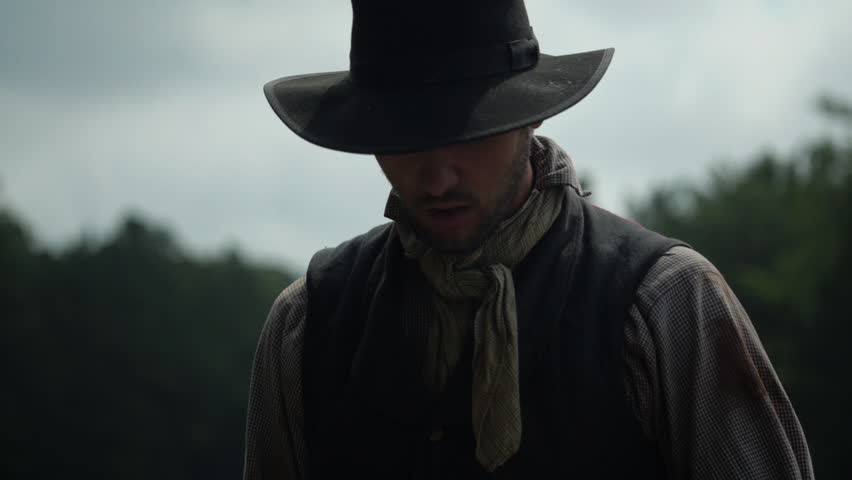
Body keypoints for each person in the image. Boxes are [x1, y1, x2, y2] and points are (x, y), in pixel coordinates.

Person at [243, 1, 813, 478]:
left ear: (529, 118)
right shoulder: (309, 321)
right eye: (406, 140)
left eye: (468, 136)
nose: (438, 178)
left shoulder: (663, 301)